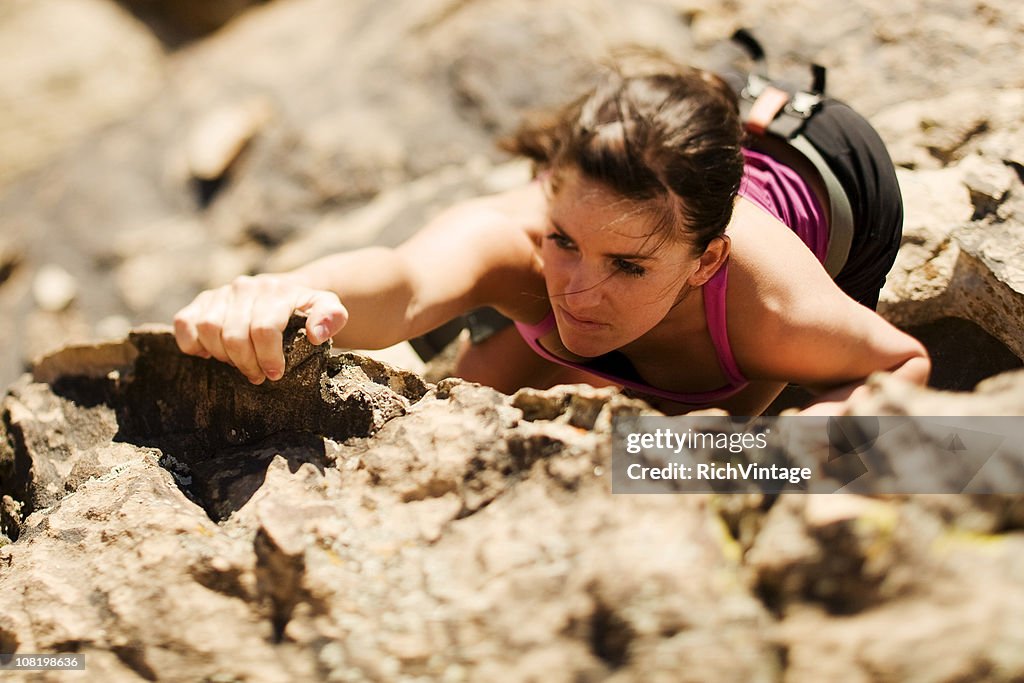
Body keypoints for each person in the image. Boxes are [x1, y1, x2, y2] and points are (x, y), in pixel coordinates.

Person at [173, 56, 929, 416]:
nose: (578, 289)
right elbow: (403, 284)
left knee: (707, 435)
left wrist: (776, 465)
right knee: (468, 395)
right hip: (680, 143)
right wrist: (291, 290)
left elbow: (899, 362)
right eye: (565, 240)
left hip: (833, 169)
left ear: (707, 261)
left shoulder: (765, 304)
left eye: (627, 266)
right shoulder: (518, 236)